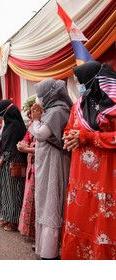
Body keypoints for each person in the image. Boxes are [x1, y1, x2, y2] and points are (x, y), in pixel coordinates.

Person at [61, 61, 116, 260]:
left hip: (107, 179)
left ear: (92, 80)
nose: (78, 86)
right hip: (81, 178)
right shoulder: (79, 104)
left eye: (79, 81)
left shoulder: (113, 103)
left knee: (104, 227)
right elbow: (70, 128)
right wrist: (70, 137)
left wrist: (89, 137)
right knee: (81, 221)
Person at [29, 78, 72, 260]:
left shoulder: (58, 111)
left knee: (51, 202)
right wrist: (37, 120)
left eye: (40, 95)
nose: (38, 99)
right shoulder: (52, 110)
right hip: (46, 162)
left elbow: (40, 134)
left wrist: (35, 120)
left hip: (54, 162)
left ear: (49, 94)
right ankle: (43, 247)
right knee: (45, 200)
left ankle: (50, 252)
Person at [0, 100, 27, 232]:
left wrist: (4, 157)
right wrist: (0, 142)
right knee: (6, 190)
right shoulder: (8, 125)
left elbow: (14, 145)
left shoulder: (15, 126)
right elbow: (8, 141)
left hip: (13, 160)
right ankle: (7, 216)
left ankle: (14, 220)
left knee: (13, 191)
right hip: (6, 160)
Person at [17, 95, 37, 240]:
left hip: (42, 165)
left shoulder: (47, 121)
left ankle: (40, 236)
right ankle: (32, 233)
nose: (29, 114)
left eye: (31, 111)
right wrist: (22, 144)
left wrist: (27, 149)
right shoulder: (32, 124)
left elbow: (48, 147)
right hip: (32, 164)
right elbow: (26, 138)